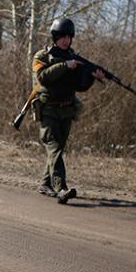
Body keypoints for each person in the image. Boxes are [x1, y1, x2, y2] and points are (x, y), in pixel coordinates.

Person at [32, 17, 105, 204]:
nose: (65, 40)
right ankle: (61, 188)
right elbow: (42, 78)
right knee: (54, 147)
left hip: (67, 110)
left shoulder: (74, 58)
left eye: (68, 37)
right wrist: (64, 66)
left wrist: (91, 77)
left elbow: (79, 86)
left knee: (58, 150)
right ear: (54, 37)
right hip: (48, 109)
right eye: (61, 37)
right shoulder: (42, 56)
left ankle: (45, 183)